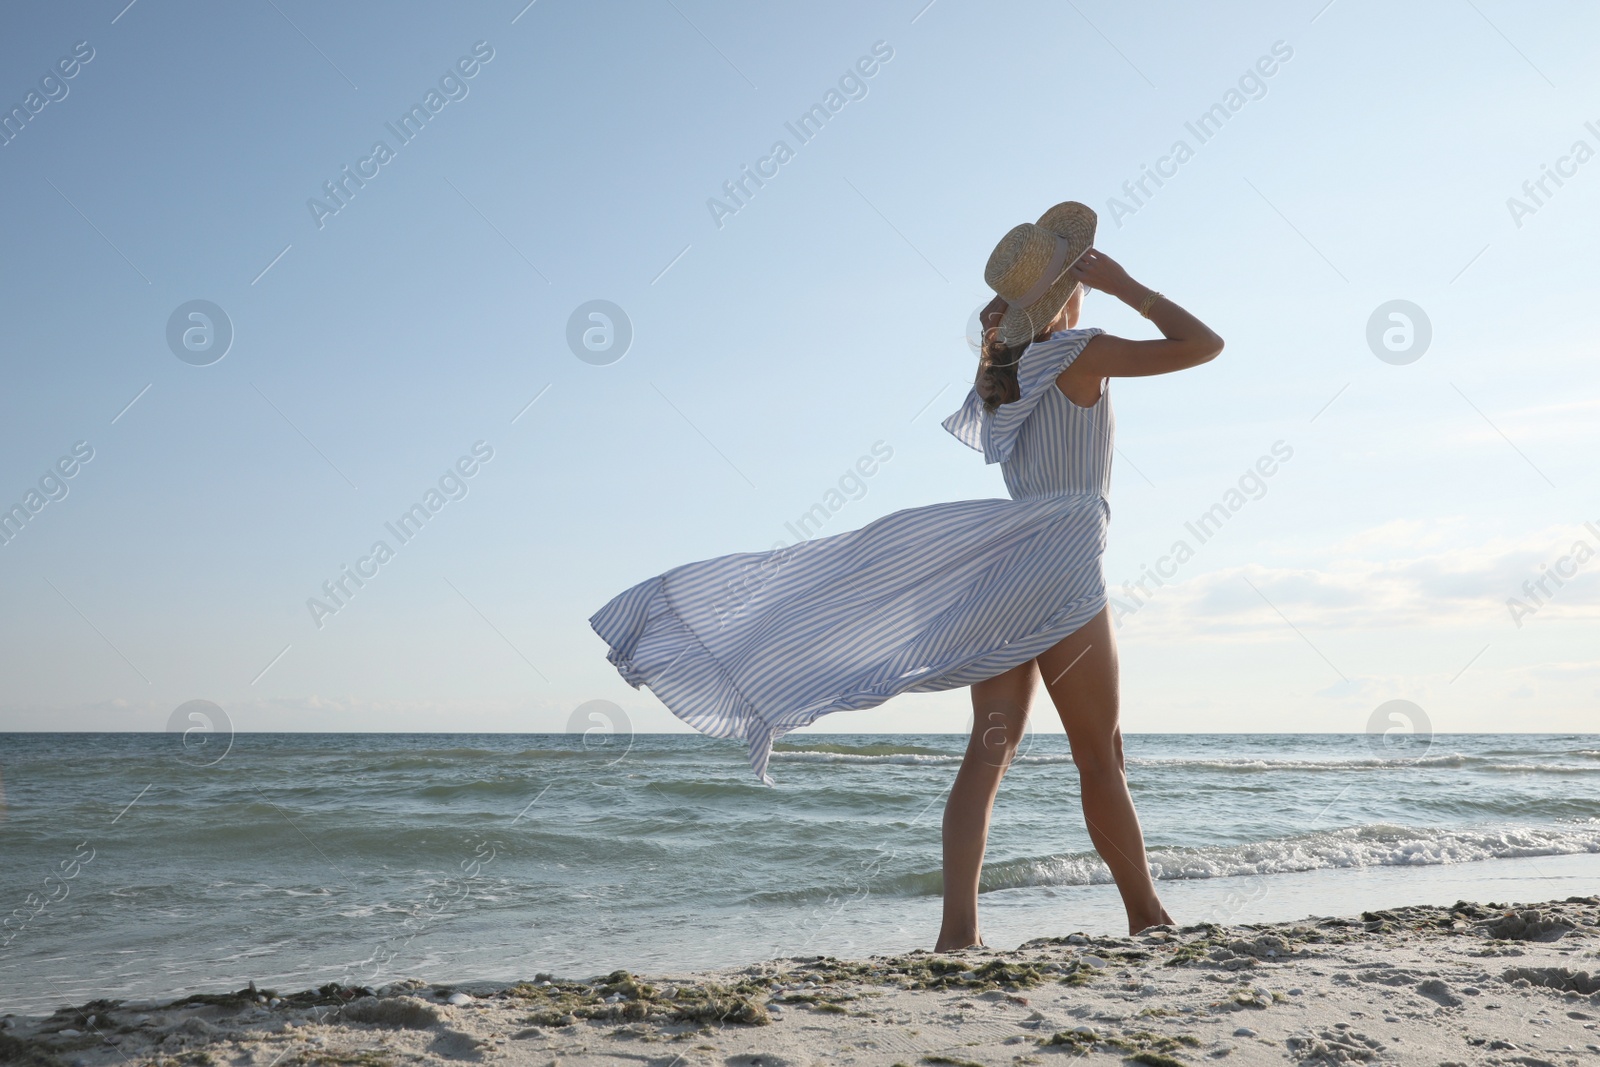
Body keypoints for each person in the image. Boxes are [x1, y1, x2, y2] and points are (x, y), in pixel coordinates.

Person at [589, 201, 1222, 945]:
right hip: (1061, 562)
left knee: (989, 751)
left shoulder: (1003, 371)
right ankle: (1147, 916)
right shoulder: (1081, 350)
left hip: (1003, 571)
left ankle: (959, 931)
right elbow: (1203, 344)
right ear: (1070, 287)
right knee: (1100, 754)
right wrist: (1128, 286)